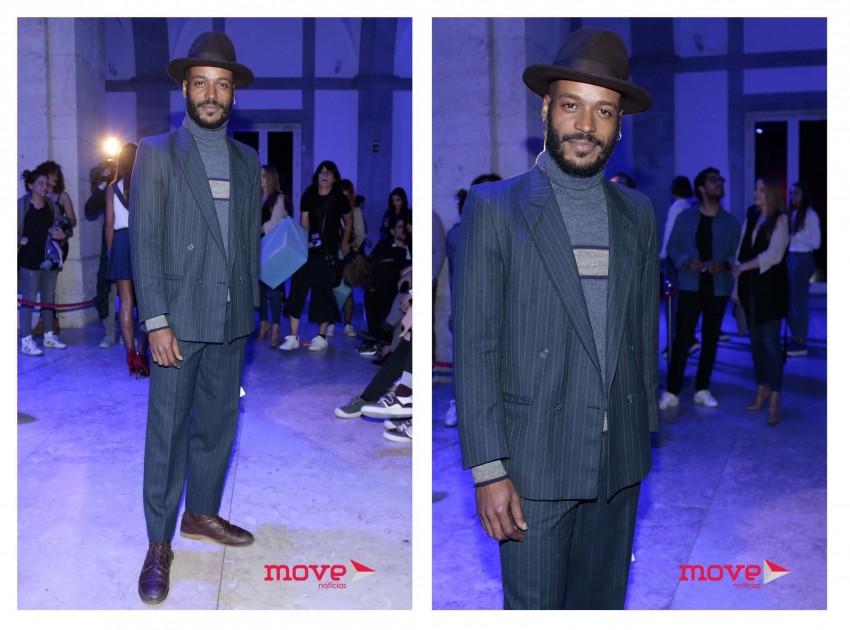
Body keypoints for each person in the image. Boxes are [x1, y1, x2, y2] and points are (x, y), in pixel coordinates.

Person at [453, 28, 659, 609]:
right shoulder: (496, 208)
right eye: (572, 105)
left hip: (617, 462)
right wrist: (488, 469)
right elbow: (476, 347)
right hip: (533, 464)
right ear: (546, 108)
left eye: (604, 111)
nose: (586, 126)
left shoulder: (638, 213)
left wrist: (641, 432)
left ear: (619, 124)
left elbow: (643, 332)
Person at [130, 31, 260, 606]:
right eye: (202, 83)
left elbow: (247, 243)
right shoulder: (157, 152)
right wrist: (155, 320)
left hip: (230, 319)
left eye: (222, 85)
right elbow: (145, 242)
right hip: (177, 324)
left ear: (233, 94)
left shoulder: (247, 160)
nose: (212, 94)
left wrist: (250, 308)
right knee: (167, 432)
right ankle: (159, 542)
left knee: (218, 423)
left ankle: (201, 513)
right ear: (185, 89)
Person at [658, 168, 741, 410]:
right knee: (682, 339)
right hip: (690, 286)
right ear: (701, 188)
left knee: (711, 339)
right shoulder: (686, 218)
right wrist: (686, 261)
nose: (719, 183)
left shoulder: (730, 223)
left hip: (718, 287)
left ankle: (702, 388)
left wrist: (723, 263)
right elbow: (672, 247)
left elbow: (737, 254)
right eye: (713, 180)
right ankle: (671, 391)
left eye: (720, 179)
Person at [732, 175, 789, 426]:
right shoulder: (752, 216)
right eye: (756, 189)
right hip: (750, 290)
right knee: (755, 343)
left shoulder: (781, 220)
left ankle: (775, 396)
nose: (757, 193)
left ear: (772, 193)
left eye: (762, 190)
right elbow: (739, 253)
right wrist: (736, 287)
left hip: (771, 291)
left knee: (771, 344)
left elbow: (773, 255)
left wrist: (743, 268)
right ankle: (762, 388)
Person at [279, 161, 351, 351]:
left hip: (328, 253)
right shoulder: (309, 195)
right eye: (321, 172)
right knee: (297, 290)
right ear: (317, 176)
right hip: (308, 251)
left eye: (329, 173)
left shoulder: (340, 198)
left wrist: (344, 243)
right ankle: (293, 336)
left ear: (334, 178)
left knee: (323, 292)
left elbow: (349, 222)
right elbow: (304, 223)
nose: (324, 175)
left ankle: (321, 336)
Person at [105, 142, 150, 376]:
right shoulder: (146, 184)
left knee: (125, 302)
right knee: (146, 303)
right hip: (142, 241)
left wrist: (111, 251)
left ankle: (130, 353)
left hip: (121, 242)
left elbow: (109, 224)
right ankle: (142, 353)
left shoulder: (112, 188)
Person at [17, 166, 69, 355]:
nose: (44, 187)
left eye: (46, 184)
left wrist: (62, 235)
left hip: (49, 260)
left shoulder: (52, 207)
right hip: (29, 260)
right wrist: (18, 239)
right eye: (40, 183)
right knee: (28, 300)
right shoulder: (21, 206)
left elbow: (65, 228)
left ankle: (48, 336)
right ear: (31, 185)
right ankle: (26, 341)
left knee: (48, 299)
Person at [33, 160, 78, 335]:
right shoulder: (40, 195)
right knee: (42, 281)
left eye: (57, 174)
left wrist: (62, 225)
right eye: (51, 173)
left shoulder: (62, 196)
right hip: (40, 244)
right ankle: (49, 320)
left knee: (48, 281)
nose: (55, 177)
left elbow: (73, 220)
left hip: (58, 245)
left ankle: (47, 321)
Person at [84, 158, 120, 348]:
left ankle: (129, 333)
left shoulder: (131, 183)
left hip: (131, 243)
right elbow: (90, 209)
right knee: (108, 291)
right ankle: (110, 333)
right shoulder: (107, 189)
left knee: (131, 293)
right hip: (110, 245)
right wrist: (104, 182)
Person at [785, 181, 821, 356]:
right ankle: (796, 337)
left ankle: (801, 342)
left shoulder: (810, 215)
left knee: (799, 301)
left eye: (796, 193)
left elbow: (816, 243)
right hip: (791, 257)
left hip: (803, 259)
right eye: (791, 193)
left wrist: (796, 234)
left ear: (804, 194)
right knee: (788, 301)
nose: (793, 196)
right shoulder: (792, 212)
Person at [258, 164, 290, 347]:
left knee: (275, 287)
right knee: (260, 288)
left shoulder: (278, 198)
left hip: (274, 248)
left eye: (263, 175)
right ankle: (264, 322)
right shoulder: (257, 197)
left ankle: (276, 325)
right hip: (259, 247)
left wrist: (256, 229)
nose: (260, 178)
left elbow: (275, 222)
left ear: (271, 177)